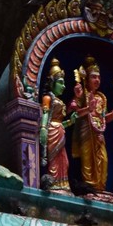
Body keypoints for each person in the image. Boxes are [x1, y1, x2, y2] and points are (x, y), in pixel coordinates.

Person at [71, 57, 113, 196]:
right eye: (93, 77)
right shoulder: (82, 94)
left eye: (99, 77)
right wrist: (85, 106)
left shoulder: (101, 97)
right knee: (87, 160)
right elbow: (73, 113)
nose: (97, 80)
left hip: (99, 134)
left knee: (103, 160)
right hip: (85, 132)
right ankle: (89, 188)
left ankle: (100, 189)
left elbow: (104, 118)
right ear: (87, 78)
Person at [38, 60, 72, 193]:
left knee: (64, 161)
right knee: (53, 161)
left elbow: (60, 122)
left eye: (63, 83)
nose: (63, 86)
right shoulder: (48, 98)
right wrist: (43, 129)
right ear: (52, 82)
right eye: (60, 83)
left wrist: (70, 122)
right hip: (51, 130)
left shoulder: (60, 101)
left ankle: (63, 185)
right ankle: (52, 184)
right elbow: (45, 114)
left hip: (59, 131)